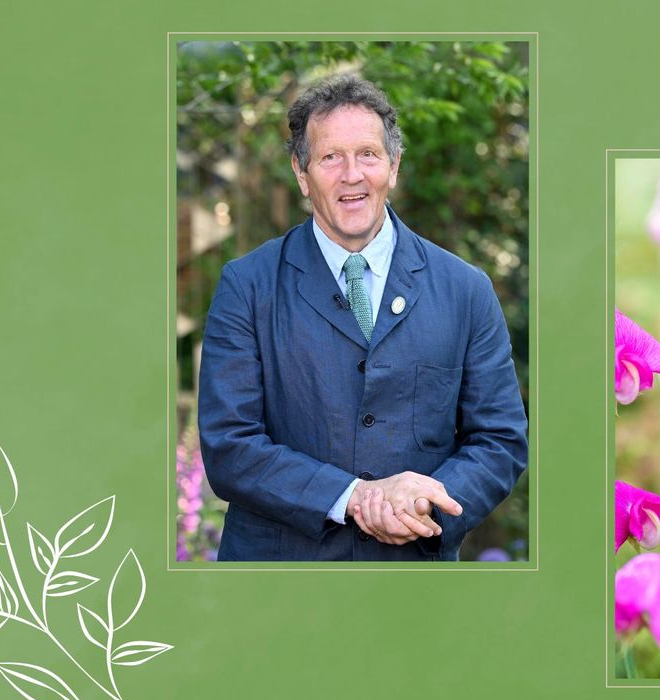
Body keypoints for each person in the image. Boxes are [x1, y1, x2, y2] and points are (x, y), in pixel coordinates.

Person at [198, 75, 528, 561]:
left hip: (413, 585)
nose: (351, 174)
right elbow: (229, 445)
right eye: (331, 157)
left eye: (368, 154)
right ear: (301, 171)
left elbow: (500, 439)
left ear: (393, 166)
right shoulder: (247, 287)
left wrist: (424, 505)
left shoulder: (466, 290)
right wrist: (354, 497)